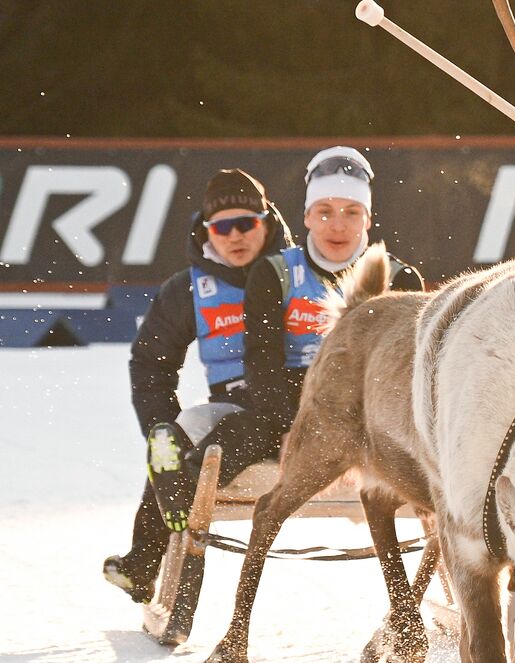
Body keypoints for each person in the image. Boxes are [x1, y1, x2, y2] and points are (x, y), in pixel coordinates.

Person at [103, 168, 293, 603]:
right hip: (234, 405)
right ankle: (143, 561)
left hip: (298, 406)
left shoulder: (297, 273)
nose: (236, 235)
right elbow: (151, 362)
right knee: (175, 440)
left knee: (204, 448)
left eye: (246, 223)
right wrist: (158, 425)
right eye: (223, 226)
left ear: (266, 222)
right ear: (208, 230)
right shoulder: (189, 289)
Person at [240, 146, 424, 464]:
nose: (337, 226)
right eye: (324, 211)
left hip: (371, 416)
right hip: (292, 406)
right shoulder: (274, 273)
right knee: (219, 441)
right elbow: (262, 359)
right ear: (307, 217)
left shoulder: (399, 278)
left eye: (351, 212)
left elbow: (409, 375)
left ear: (367, 220)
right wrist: (287, 428)